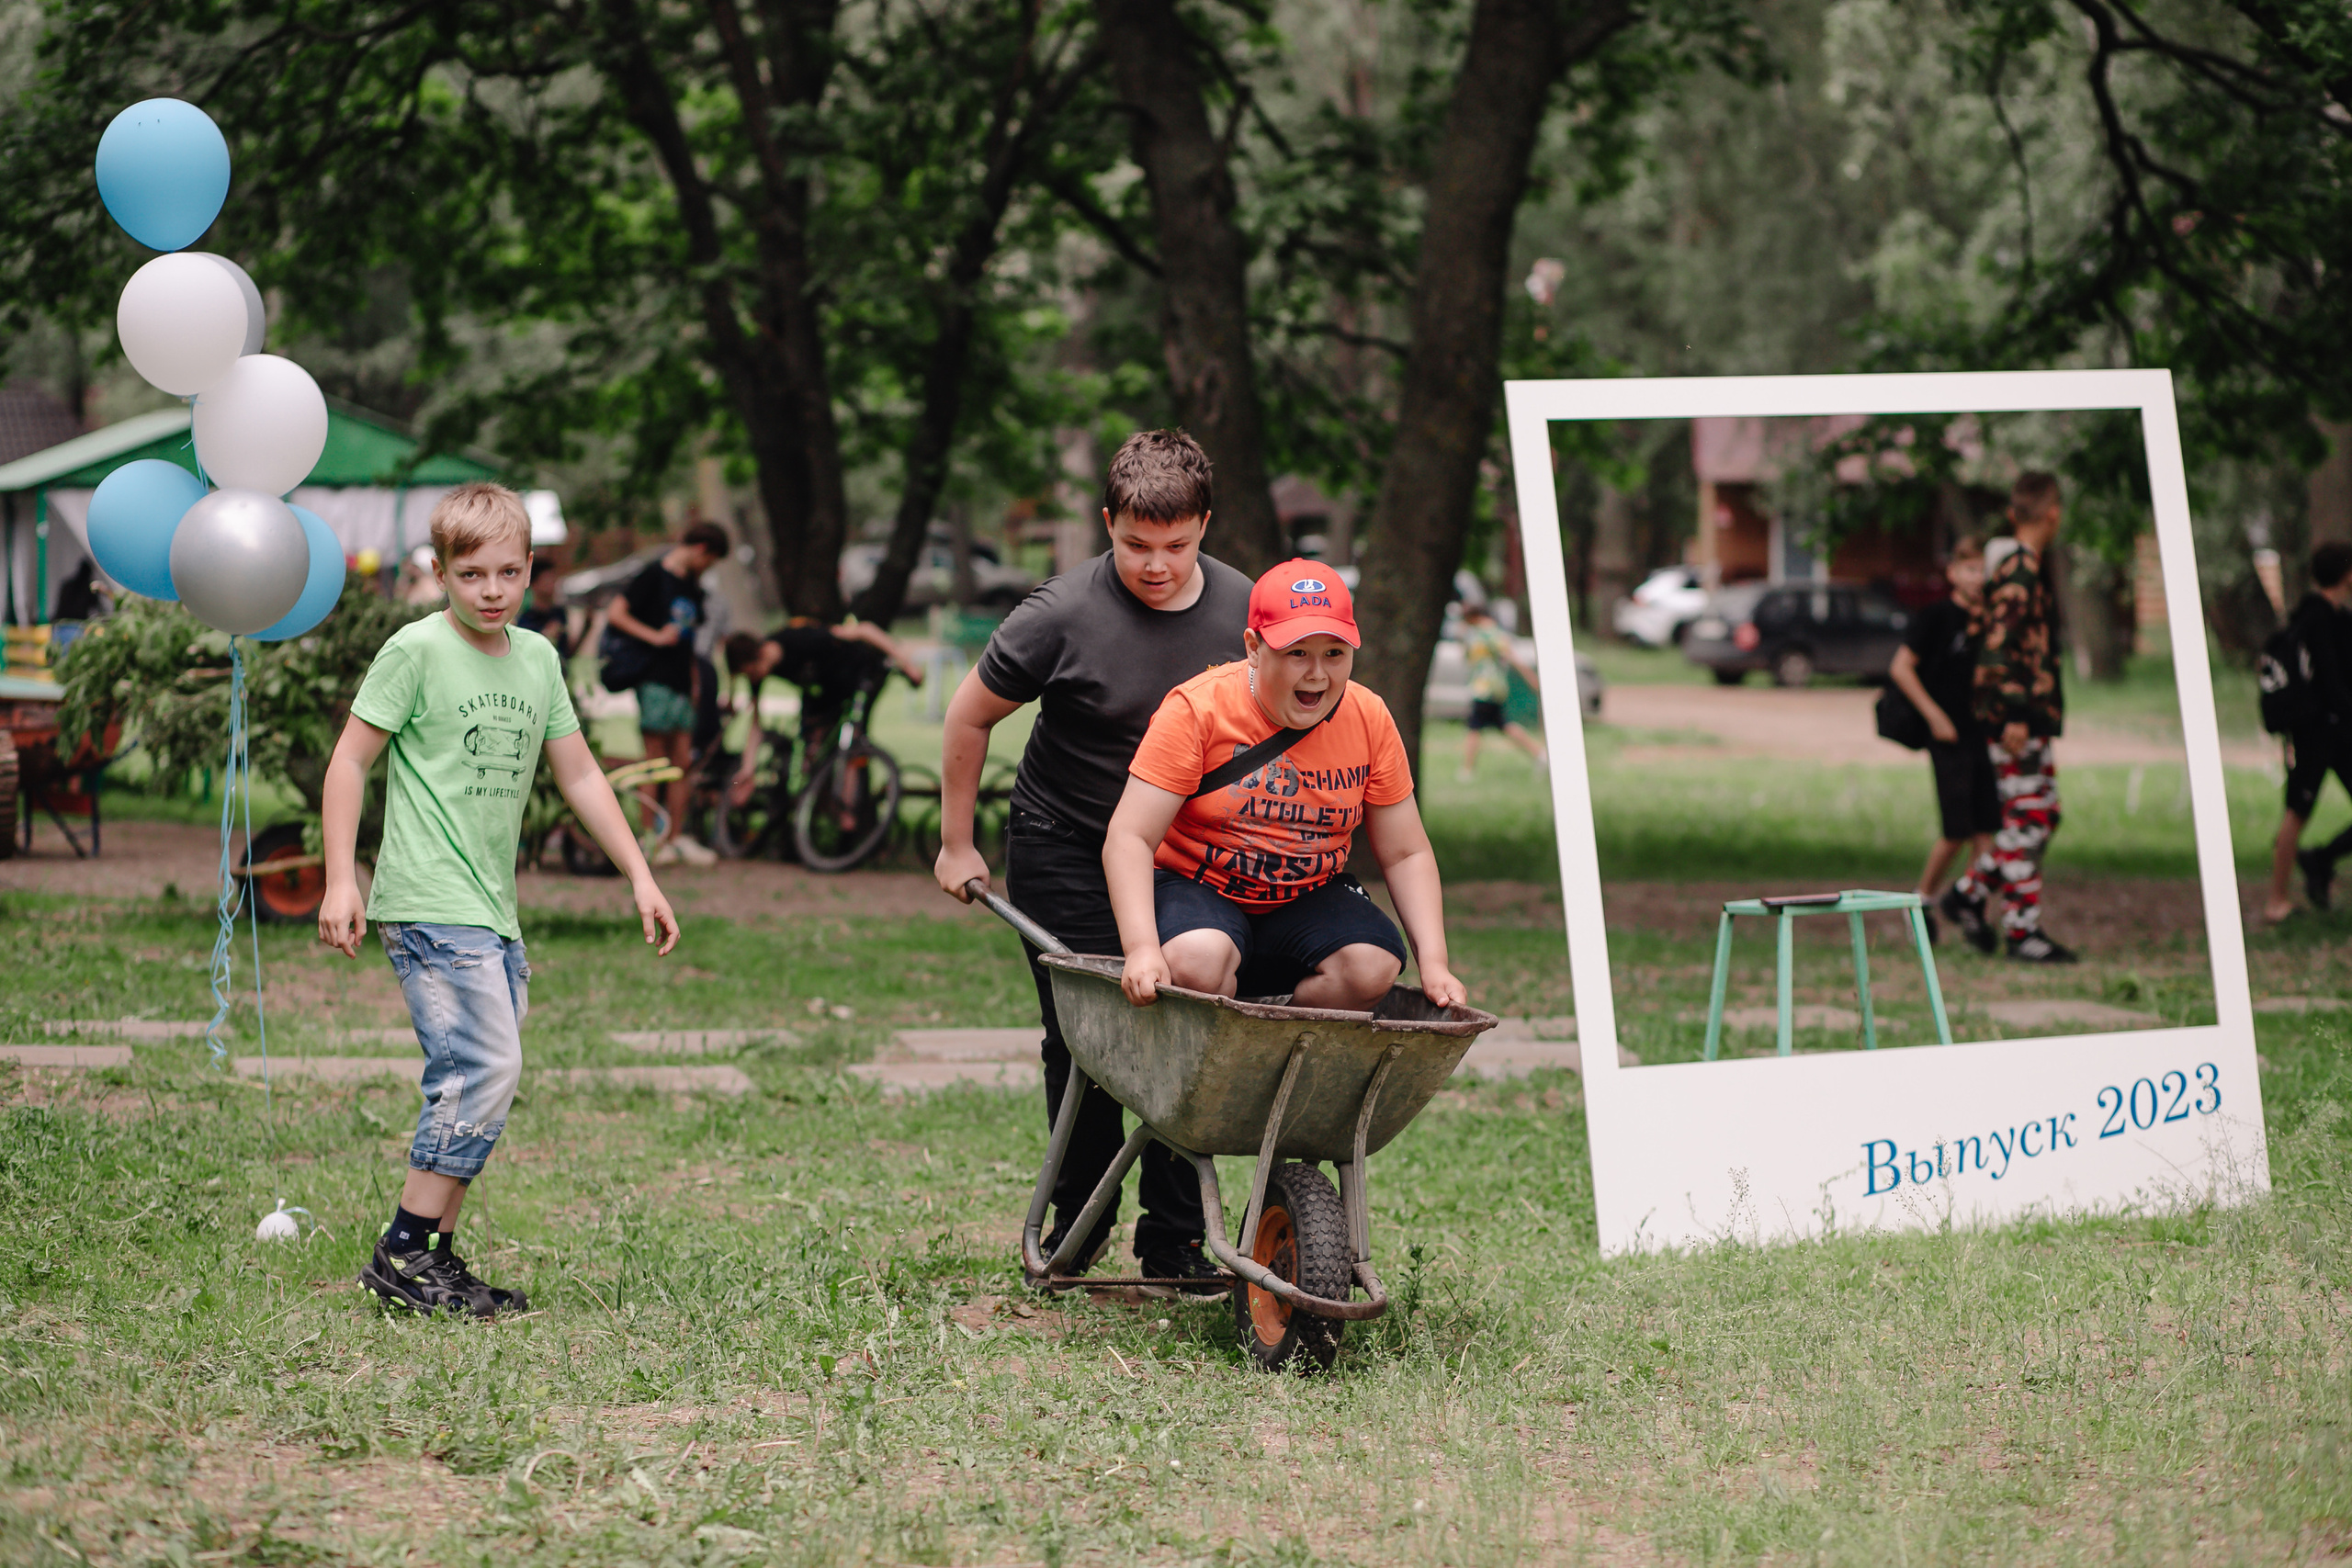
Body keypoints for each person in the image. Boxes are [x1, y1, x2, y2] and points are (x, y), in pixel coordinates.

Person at [316, 482, 681, 1318]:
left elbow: (581, 772)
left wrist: (639, 873)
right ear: (440, 571)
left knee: (484, 1080)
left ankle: (433, 1257)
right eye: (472, 573)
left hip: (492, 907)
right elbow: (348, 762)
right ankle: (403, 1251)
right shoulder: (414, 649)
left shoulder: (539, 658)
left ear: (530, 571)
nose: (491, 590)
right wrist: (344, 876)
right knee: (482, 1070)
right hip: (427, 899)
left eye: (509, 572)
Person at [933, 429, 1253, 1296]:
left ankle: (1178, 1242)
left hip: (1186, 854)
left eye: (1177, 546)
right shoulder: (1060, 614)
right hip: (1064, 840)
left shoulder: (1245, 612)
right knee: (1086, 1037)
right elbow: (968, 720)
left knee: (1191, 1034)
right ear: (1107, 523)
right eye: (1135, 545)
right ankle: (1077, 1222)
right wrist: (956, 840)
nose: (1156, 565)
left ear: (1205, 527)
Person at [1105, 561, 1468, 1021]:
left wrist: (1434, 964)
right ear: (1254, 648)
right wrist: (1140, 948)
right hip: (1198, 887)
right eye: (1297, 653)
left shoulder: (1368, 717)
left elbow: (1405, 853)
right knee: (1199, 959)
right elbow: (1129, 837)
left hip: (1305, 892)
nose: (1318, 674)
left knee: (1373, 965)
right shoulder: (1196, 710)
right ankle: (1218, 1054)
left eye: (1334, 654)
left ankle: (1280, 1050)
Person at [1962, 473, 2077, 964]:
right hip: (2017, 721)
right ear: (2053, 513)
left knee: (2043, 814)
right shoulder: (2022, 571)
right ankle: (2021, 931)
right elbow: (1996, 647)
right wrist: (2012, 715)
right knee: (2029, 819)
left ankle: (1969, 893)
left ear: (2014, 514)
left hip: (2030, 717)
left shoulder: (2019, 566)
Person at [1885, 536, 1996, 948]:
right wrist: (1934, 716)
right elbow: (1901, 668)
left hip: (1982, 732)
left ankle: (1971, 904)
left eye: (1983, 569)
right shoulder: (1935, 617)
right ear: (1952, 573)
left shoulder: (1990, 619)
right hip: (1947, 735)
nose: (1977, 578)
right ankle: (1921, 899)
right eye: (1969, 569)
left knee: (1987, 831)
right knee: (1957, 830)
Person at [605, 522, 730, 866]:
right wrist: (654, 636)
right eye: (712, 560)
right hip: (655, 679)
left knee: (682, 763)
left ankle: (673, 837)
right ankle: (650, 838)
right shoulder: (652, 576)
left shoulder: (691, 584)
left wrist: (695, 683)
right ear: (702, 548)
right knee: (654, 762)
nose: (709, 568)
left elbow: (692, 639)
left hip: (681, 682)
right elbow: (616, 614)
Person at [2263, 543, 2352, 921]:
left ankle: (2320, 859)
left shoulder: (2330, 617)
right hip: (2319, 731)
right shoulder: (2319, 619)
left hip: (2331, 731)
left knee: (2296, 811)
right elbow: (2332, 681)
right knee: (2296, 811)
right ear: (2347, 574)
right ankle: (2276, 900)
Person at [722, 619, 926, 783]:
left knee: (852, 742)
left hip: (853, 676)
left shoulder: (800, 639)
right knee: (811, 752)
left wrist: (908, 665)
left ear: (759, 655)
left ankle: (848, 814)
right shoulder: (759, 673)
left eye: (751, 673)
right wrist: (748, 768)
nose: (752, 679)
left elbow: (865, 630)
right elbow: (756, 721)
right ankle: (814, 805)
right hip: (821, 694)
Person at [1455, 603, 1547, 780]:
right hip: (1488, 687)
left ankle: (1466, 770)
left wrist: (1531, 678)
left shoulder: (1488, 632)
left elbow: (1510, 655)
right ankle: (1539, 754)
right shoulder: (1478, 633)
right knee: (1504, 725)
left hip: (1486, 688)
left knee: (1474, 727)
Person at [514, 556, 574, 662]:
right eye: (547, 580)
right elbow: (525, 655)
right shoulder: (526, 619)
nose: (552, 584)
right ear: (534, 584)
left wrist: (587, 627)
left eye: (554, 579)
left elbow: (567, 653)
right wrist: (547, 635)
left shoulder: (559, 613)